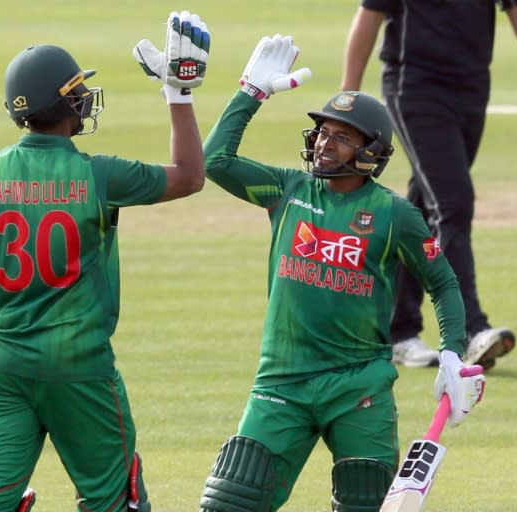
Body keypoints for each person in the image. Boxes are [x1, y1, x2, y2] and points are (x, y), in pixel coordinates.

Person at [0, 10, 210, 512]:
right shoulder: (97, 175)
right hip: (79, 366)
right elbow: (191, 176)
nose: (84, 97)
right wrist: (179, 93)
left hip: (2, 367)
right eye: (77, 90)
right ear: (64, 103)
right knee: (115, 501)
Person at [197, 34, 486, 512]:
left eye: (341, 137)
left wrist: (452, 353)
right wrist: (250, 93)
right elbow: (214, 162)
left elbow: (443, 282)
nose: (325, 143)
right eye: (323, 132)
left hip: (360, 389)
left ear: (370, 150)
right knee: (228, 505)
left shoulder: (394, 214)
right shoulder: (288, 190)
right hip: (282, 382)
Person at [341, 0, 517, 369]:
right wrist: (349, 97)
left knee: (425, 203)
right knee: (452, 203)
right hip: (414, 85)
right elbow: (369, 15)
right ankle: (470, 330)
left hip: (471, 87)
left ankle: (398, 331)